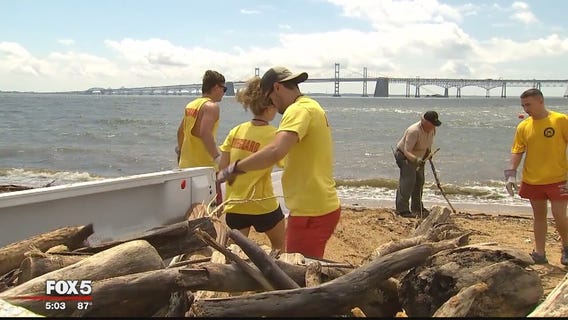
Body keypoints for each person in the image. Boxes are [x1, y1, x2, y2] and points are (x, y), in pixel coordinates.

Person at [216, 66, 341, 259]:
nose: (273, 104)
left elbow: (275, 151)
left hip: (311, 212)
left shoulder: (297, 110)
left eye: (271, 98)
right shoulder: (311, 106)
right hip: (316, 206)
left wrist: (235, 167)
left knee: (297, 274)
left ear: (277, 88)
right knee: (299, 267)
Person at [218, 76, 285, 250]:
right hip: (263, 205)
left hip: (234, 204)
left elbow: (222, 168)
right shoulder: (275, 134)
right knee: (280, 246)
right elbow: (285, 164)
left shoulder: (236, 130)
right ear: (270, 107)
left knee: (233, 254)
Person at [505, 88, 568, 265]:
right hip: (533, 179)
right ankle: (540, 253)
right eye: (523, 105)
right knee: (538, 216)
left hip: (558, 178)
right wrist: (511, 174)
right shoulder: (523, 126)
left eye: (529, 104)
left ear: (540, 101)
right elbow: (517, 151)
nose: (526, 109)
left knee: (559, 215)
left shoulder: (560, 120)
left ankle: (566, 248)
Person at [177, 70, 226, 204]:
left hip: (186, 166)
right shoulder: (211, 107)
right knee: (213, 209)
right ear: (216, 87)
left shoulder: (191, 106)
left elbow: (180, 132)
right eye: (224, 88)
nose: (224, 92)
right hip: (205, 168)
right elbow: (205, 133)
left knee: (191, 208)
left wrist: (180, 153)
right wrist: (218, 159)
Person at [394, 111, 441, 217]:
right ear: (425, 122)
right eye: (432, 124)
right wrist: (416, 160)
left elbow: (428, 143)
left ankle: (417, 207)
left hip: (420, 157)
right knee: (408, 181)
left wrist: (428, 153)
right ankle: (402, 210)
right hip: (405, 156)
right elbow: (407, 151)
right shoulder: (414, 131)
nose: (433, 126)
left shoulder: (432, 130)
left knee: (419, 181)